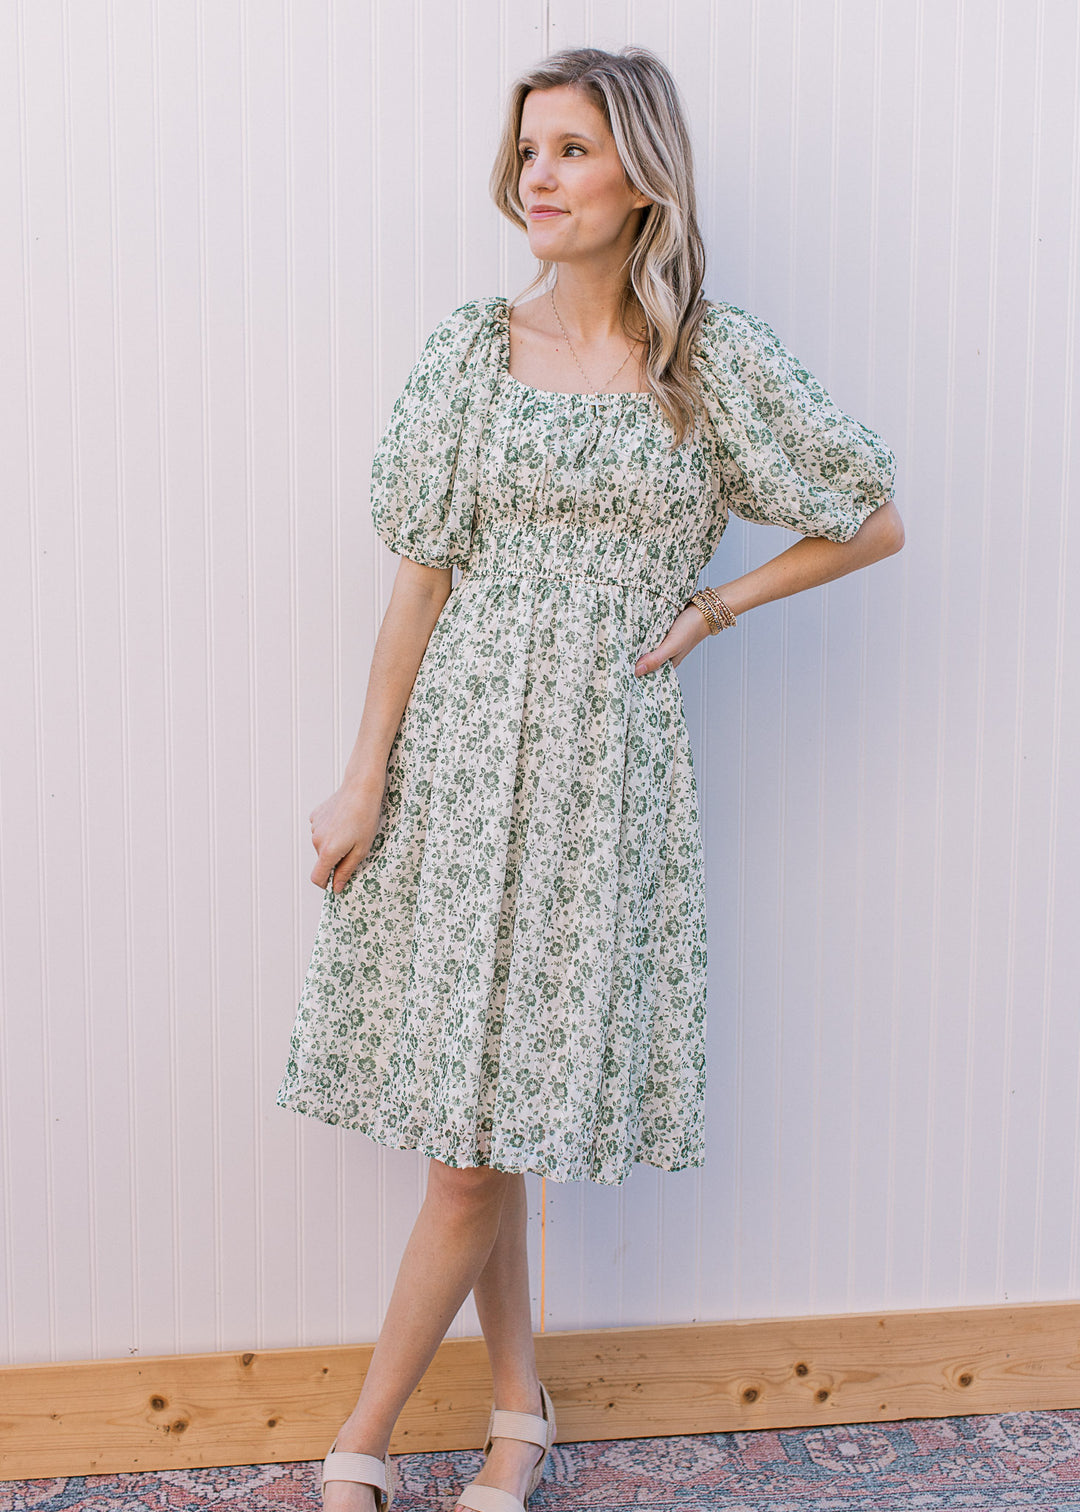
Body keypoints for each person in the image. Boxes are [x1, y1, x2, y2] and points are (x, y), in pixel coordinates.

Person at [275, 43, 905, 1512]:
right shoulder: (467, 351)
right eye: (528, 152)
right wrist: (362, 776)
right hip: (459, 758)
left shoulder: (711, 361)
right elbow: (417, 588)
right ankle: (509, 1414)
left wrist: (718, 606)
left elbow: (872, 517)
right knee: (469, 1134)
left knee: (485, 1134)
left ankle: (364, 1439)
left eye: (568, 151)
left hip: (598, 778)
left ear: (642, 178)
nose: (537, 180)